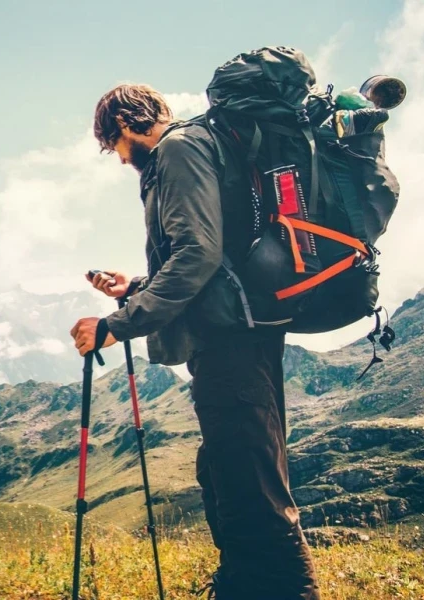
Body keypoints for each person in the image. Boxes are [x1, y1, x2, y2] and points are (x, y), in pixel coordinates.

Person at [69, 84, 320, 599]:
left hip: (232, 343)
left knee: (250, 484)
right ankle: (239, 584)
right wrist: (136, 287)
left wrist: (115, 325)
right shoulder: (200, 148)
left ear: (126, 126)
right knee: (227, 472)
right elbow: (215, 262)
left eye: (112, 146)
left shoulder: (178, 150)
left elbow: (197, 257)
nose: (118, 160)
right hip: (236, 336)